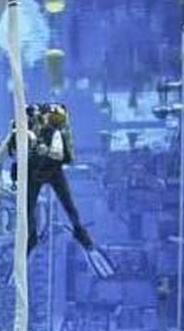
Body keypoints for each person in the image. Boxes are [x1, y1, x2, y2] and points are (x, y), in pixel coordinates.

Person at [6, 103, 115, 278]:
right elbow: (13, 152)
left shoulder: (53, 133)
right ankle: (22, 257)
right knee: (30, 215)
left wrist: (43, 150)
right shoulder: (23, 131)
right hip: (35, 173)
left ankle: (87, 244)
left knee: (69, 208)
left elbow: (58, 154)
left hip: (50, 171)